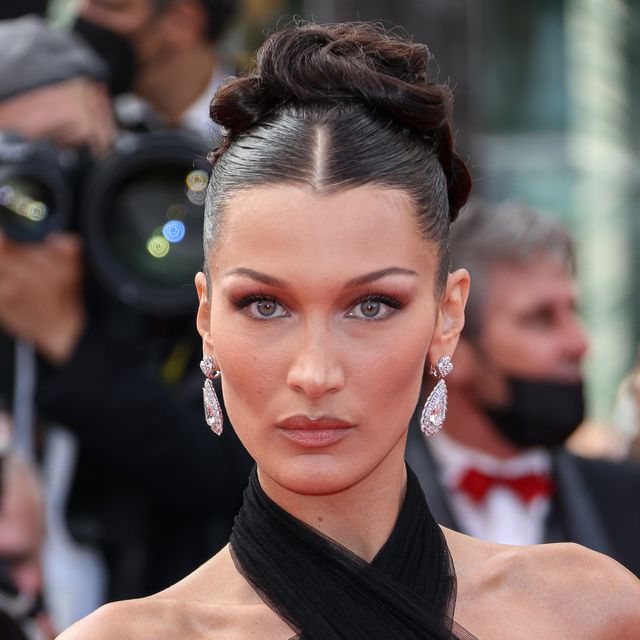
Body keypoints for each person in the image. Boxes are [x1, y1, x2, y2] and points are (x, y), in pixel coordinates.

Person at [58, 21, 640, 640]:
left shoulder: (590, 611)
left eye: (370, 306)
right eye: (263, 305)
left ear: (447, 317)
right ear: (206, 319)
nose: (315, 373)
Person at [0, 10, 252, 611]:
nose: (46, 184)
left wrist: (65, 336)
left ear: (100, 108)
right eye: (13, 167)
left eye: (63, 145)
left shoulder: (166, 219)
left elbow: (221, 465)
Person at [405, 200, 640, 577]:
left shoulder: (628, 499)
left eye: (572, 312)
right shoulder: (373, 508)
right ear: (453, 343)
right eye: (541, 319)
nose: (579, 342)